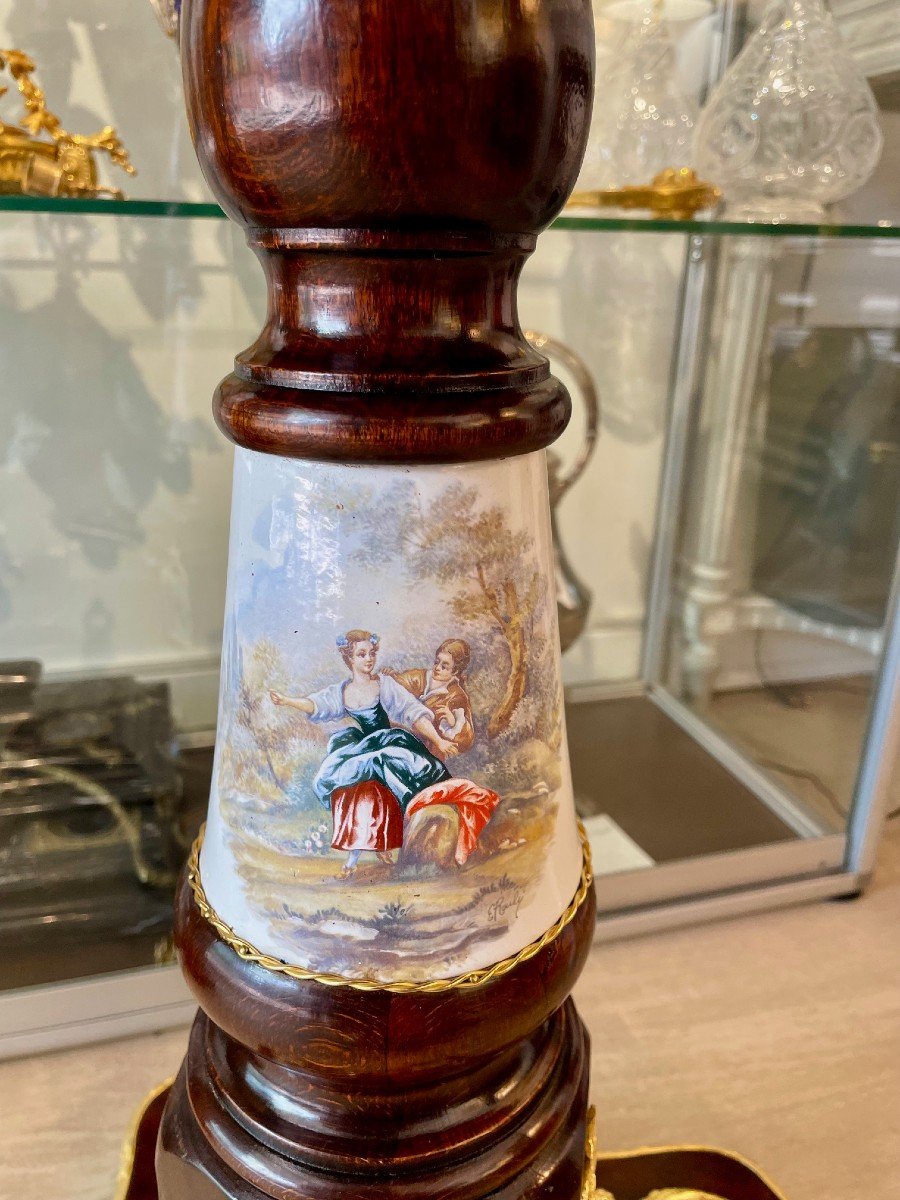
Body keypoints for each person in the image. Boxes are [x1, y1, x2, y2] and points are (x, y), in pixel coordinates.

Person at [270, 629, 457, 875]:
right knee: (350, 785)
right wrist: (287, 701)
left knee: (387, 764)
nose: (369, 659)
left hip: (387, 743)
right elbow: (316, 704)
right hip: (361, 747)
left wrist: (439, 740)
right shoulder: (342, 692)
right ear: (350, 659)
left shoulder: (384, 685)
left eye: (371, 654)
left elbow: (411, 711)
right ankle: (352, 861)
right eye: (361, 654)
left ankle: (396, 841)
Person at [383, 638, 475, 753]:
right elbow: (398, 688)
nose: (437, 668)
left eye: (444, 666)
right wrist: (390, 678)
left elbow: (466, 741)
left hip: (426, 750)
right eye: (437, 662)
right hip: (398, 735)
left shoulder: (456, 696)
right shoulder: (418, 677)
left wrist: (452, 721)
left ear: (455, 671)